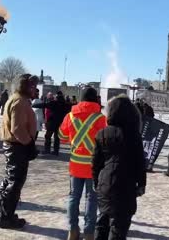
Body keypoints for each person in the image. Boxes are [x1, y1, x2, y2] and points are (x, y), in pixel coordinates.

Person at [93, 95, 146, 239]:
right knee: (119, 226)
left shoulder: (102, 133)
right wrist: (141, 184)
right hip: (126, 184)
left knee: (102, 221)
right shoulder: (134, 135)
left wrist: (96, 182)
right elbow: (140, 163)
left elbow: (96, 162)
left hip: (105, 182)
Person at [60, 87, 107, 240]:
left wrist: (75, 139)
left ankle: (72, 230)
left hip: (75, 164)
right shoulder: (100, 118)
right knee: (91, 199)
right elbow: (104, 142)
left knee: (74, 197)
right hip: (94, 166)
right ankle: (89, 233)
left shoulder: (70, 116)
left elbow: (62, 136)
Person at [0, 74, 39, 229]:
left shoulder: (18, 99)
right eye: (32, 86)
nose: (35, 89)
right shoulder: (19, 101)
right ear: (25, 86)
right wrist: (29, 144)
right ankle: (6, 218)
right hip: (17, 146)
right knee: (15, 182)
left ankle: (0, 213)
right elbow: (17, 129)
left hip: (15, 145)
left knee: (9, 180)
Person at [33, 91, 69, 155]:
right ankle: (56, 151)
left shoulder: (53, 103)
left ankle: (47, 150)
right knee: (57, 137)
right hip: (60, 123)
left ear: (56, 97)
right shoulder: (66, 105)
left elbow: (43, 105)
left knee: (48, 136)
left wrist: (33, 105)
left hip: (52, 122)